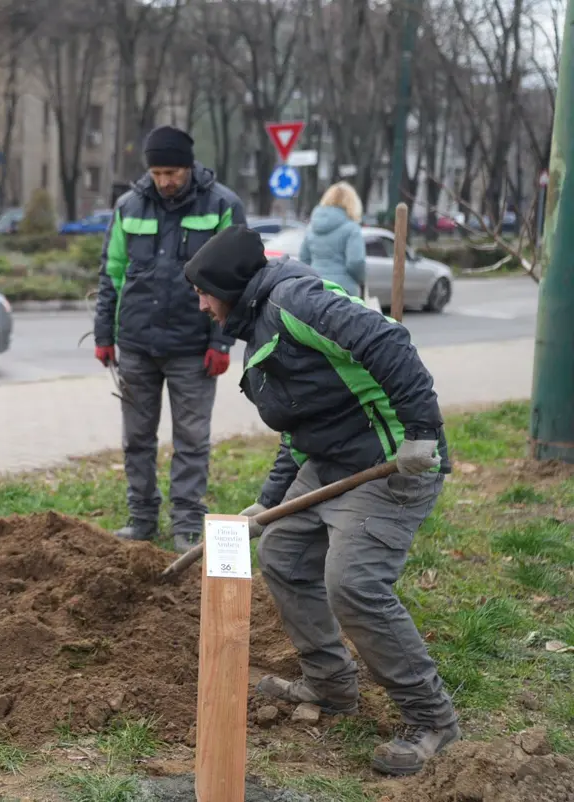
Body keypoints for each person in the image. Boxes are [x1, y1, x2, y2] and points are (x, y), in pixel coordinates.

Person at [184, 225, 459, 777]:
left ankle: (433, 721)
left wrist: (421, 431)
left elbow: (389, 341)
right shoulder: (257, 324)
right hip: (331, 461)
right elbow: (299, 426)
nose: (200, 303)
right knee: (283, 554)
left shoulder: (295, 302)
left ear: (230, 287)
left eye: (204, 291)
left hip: (389, 461)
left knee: (353, 583)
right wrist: (265, 505)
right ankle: (332, 686)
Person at [93, 126, 247, 550]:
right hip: (137, 345)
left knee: (191, 440)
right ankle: (141, 519)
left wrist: (221, 342)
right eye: (157, 172)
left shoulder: (223, 206)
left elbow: (236, 281)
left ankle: (187, 526)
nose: (165, 181)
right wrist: (105, 333)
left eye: (172, 172)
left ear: (189, 166)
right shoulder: (128, 206)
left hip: (193, 350)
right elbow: (111, 274)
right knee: (136, 439)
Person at [299, 181, 366, 297]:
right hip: (344, 291)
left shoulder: (312, 227)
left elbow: (304, 258)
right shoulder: (352, 228)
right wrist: (362, 279)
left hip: (315, 288)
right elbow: (356, 262)